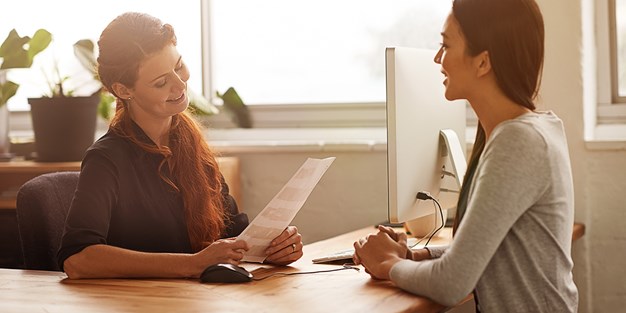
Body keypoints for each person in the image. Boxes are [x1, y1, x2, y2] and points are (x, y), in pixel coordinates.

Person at [353, 0, 578, 312]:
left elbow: (452, 283)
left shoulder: (518, 141)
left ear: (483, 62)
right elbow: (480, 255)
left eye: (445, 45)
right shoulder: (529, 129)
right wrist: (411, 256)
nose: (437, 58)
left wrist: (389, 265)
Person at [57, 12, 303, 279]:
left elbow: (233, 235)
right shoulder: (106, 159)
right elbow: (77, 260)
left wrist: (272, 248)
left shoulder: (189, 146)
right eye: (161, 82)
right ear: (125, 90)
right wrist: (193, 263)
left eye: (179, 66)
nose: (180, 84)